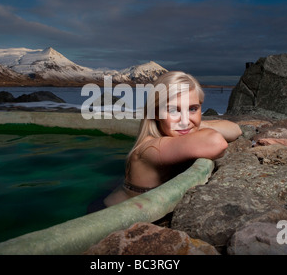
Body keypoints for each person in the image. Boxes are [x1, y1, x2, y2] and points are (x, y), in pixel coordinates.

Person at [100, 71, 242, 209]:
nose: (184, 121)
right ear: (155, 113)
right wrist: (194, 124)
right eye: (173, 110)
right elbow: (216, 143)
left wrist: (196, 124)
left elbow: (235, 129)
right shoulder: (150, 148)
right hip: (108, 216)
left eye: (193, 109)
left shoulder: (174, 132)